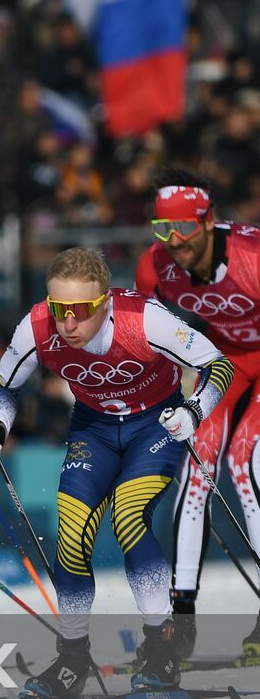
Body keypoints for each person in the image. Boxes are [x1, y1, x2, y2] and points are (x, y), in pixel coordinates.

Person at [0, 248, 233, 698]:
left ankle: (161, 646)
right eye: (60, 310)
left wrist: (193, 412)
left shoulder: (145, 319)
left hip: (153, 424)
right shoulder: (36, 327)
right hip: (93, 428)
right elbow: (5, 388)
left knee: (128, 518)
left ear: (106, 303)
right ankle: (73, 656)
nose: (68, 323)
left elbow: (217, 366)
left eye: (81, 311)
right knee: (71, 534)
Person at [135, 170, 260, 657]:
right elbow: (147, 336)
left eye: (183, 229)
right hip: (227, 363)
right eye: (162, 229)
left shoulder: (251, 258)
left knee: (245, 464)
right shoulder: (156, 268)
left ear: (209, 223)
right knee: (195, 467)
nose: (174, 242)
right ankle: (179, 625)